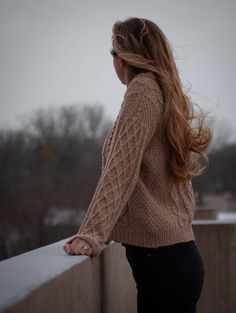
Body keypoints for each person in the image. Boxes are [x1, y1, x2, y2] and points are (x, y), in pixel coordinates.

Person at [63, 17, 212, 313]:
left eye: (113, 54)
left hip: (163, 266)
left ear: (123, 57)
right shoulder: (163, 92)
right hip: (175, 260)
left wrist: (92, 233)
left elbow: (121, 168)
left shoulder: (143, 91)